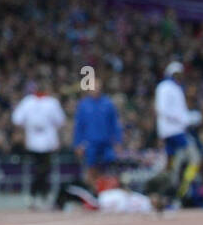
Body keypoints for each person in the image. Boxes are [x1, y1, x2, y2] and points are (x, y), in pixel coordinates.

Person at [155, 60, 202, 207]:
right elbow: (162, 109)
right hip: (173, 131)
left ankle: (172, 195)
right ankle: (179, 191)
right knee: (193, 158)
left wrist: (187, 118)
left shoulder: (175, 87)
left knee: (175, 166)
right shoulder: (165, 87)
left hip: (176, 130)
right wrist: (183, 119)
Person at [12, 80, 66, 209]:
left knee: (44, 170)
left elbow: (60, 121)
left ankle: (39, 195)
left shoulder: (52, 102)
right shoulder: (28, 101)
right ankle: (38, 195)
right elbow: (17, 119)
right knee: (39, 170)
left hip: (48, 140)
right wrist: (24, 131)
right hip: (32, 140)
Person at [72, 80, 122, 185]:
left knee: (108, 167)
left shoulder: (108, 104)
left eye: (98, 87)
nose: (96, 89)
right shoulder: (84, 105)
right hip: (90, 142)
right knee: (91, 167)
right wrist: (77, 144)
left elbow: (115, 124)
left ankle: (105, 189)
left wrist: (118, 141)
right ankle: (93, 190)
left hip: (106, 142)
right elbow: (79, 126)